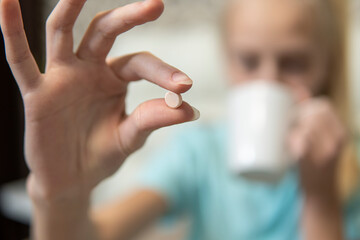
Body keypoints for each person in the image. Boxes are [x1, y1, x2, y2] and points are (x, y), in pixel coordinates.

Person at [1, 0, 359, 239]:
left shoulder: (347, 171)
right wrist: (61, 196)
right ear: (226, 58)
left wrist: (320, 196)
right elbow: (97, 233)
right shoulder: (200, 154)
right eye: (248, 61)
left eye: (293, 63)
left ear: (327, 67)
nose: (267, 81)